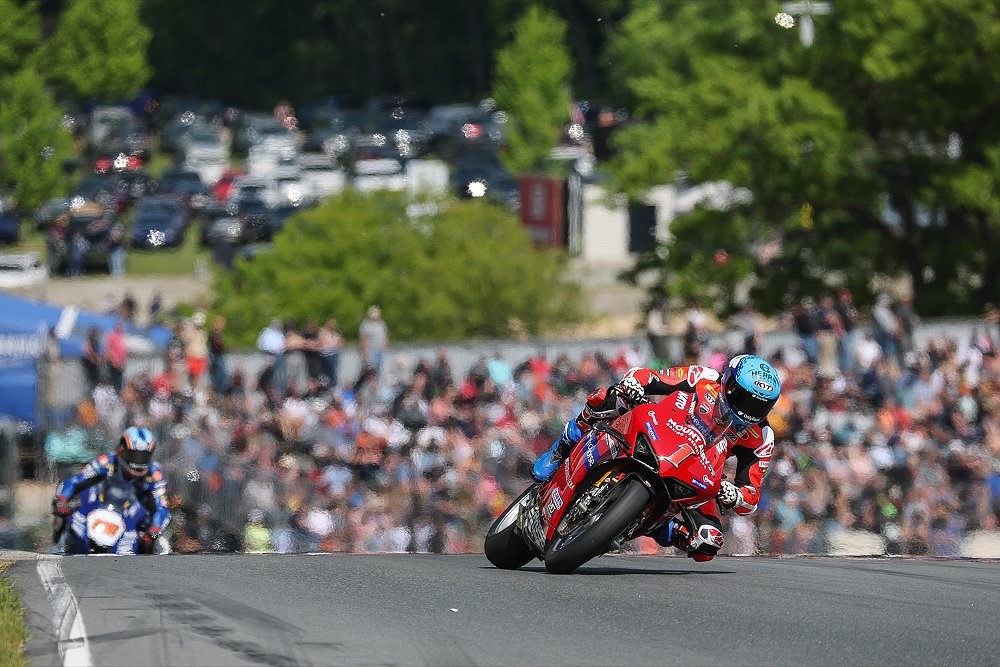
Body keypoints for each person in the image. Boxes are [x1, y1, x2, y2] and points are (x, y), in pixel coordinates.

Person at [532, 354, 781, 562]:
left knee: (709, 541)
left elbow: (751, 495)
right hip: (662, 427)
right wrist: (634, 385)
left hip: (698, 470)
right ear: (729, 384)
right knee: (610, 397)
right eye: (744, 400)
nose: (748, 411)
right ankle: (562, 448)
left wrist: (735, 494)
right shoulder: (705, 379)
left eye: (759, 407)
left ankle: (656, 526)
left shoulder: (762, 436)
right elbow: (653, 377)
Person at [52, 426, 170, 552]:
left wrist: (154, 529)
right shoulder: (107, 460)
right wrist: (62, 500)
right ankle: (58, 543)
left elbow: (162, 506)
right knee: (62, 512)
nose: (138, 463)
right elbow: (77, 480)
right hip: (101, 508)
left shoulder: (155, 473)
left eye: (143, 457)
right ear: (121, 450)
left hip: (135, 518)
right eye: (134, 456)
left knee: (159, 544)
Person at [359, 305, 389, 377]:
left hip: (380, 350)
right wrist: (364, 351)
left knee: (379, 370)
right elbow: (362, 339)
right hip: (370, 351)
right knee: (370, 370)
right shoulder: (366, 325)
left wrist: (386, 345)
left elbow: (385, 336)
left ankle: (377, 385)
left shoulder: (381, 324)